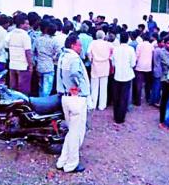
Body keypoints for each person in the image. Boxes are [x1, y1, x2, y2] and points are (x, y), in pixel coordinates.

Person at [56, 34, 90, 173]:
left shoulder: (63, 56)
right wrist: (79, 89)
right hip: (76, 99)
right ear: (72, 45)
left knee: (71, 132)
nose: (81, 47)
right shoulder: (74, 58)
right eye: (79, 45)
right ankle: (71, 164)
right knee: (76, 133)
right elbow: (75, 74)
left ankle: (62, 161)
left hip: (65, 97)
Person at [111, 32, 136, 124]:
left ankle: (115, 115)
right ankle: (120, 118)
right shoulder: (131, 49)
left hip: (117, 75)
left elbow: (113, 63)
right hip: (127, 75)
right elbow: (133, 63)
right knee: (124, 97)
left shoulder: (115, 49)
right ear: (128, 39)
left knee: (116, 96)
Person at [5, 13, 32, 95]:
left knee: (13, 88)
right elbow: (28, 52)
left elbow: (6, 47)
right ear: (21, 24)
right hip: (23, 66)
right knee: (23, 89)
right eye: (26, 24)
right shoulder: (25, 36)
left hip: (12, 64)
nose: (28, 26)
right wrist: (30, 65)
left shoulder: (10, 34)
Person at [88, 30, 113, 110]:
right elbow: (113, 52)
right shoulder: (108, 44)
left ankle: (93, 104)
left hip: (95, 65)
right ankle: (102, 105)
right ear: (103, 36)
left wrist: (91, 59)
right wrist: (109, 57)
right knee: (103, 87)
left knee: (94, 87)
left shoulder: (93, 43)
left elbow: (88, 52)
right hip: (105, 65)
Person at [34, 20, 60, 97]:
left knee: (41, 87)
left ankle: (39, 103)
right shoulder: (53, 41)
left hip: (39, 66)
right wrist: (54, 58)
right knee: (47, 89)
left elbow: (33, 51)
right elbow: (59, 53)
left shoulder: (38, 39)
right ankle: (44, 105)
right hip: (49, 66)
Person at [133, 32, 154, 106]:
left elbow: (137, 56)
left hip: (140, 67)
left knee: (139, 85)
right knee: (147, 85)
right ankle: (148, 99)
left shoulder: (139, 45)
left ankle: (138, 101)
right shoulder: (151, 46)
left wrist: (135, 64)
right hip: (148, 67)